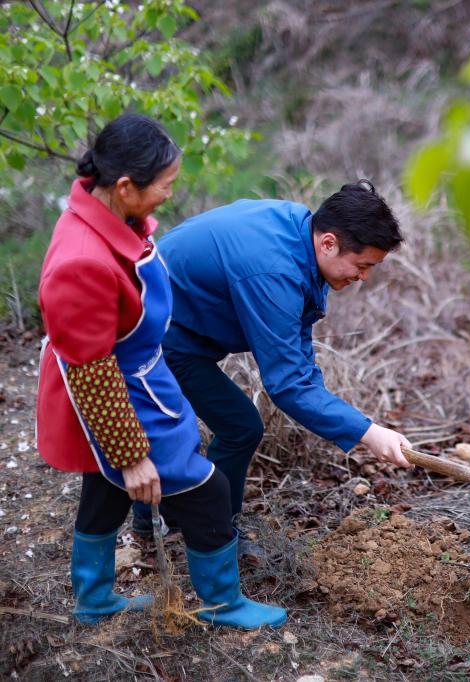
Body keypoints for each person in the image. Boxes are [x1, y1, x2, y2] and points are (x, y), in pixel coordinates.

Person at [36, 113, 286, 629]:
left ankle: (95, 599)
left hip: (135, 375)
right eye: (165, 185)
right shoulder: (81, 261)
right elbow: (90, 368)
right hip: (114, 389)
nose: (170, 195)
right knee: (205, 488)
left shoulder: (106, 213)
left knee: (104, 487)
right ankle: (223, 602)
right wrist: (130, 455)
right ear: (125, 186)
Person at [129, 180, 414, 547]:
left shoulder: (300, 230)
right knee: (238, 426)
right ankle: (204, 533)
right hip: (155, 335)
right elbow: (287, 385)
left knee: (221, 428)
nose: (364, 277)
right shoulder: (273, 270)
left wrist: (349, 419)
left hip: (180, 323)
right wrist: (369, 432)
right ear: (328, 242)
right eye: (362, 265)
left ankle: (174, 522)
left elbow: (296, 348)